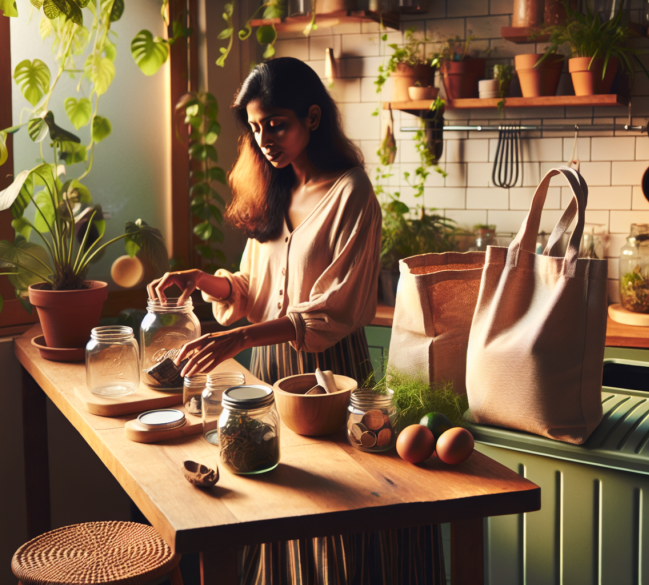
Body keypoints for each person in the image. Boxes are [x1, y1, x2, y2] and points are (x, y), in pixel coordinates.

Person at [147, 57, 444, 585]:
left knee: (334, 508)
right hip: (267, 373)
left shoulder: (350, 192)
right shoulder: (272, 189)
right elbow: (249, 289)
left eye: (276, 124)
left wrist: (238, 335)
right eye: (256, 127)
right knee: (275, 503)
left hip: (329, 376)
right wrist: (202, 281)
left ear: (312, 117)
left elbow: (338, 306)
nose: (265, 139)